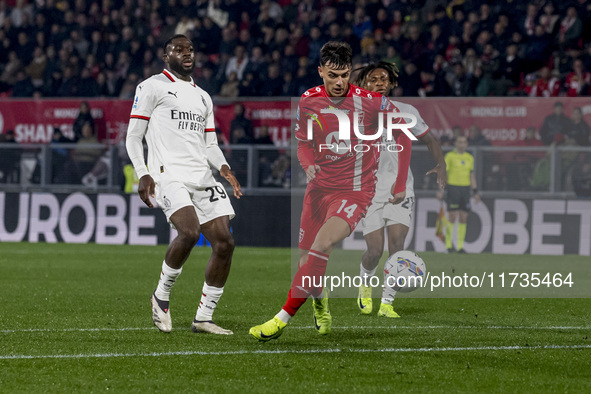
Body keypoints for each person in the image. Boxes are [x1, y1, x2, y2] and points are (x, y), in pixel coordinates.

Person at [249, 42, 412, 341]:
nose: (339, 82)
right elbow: (303, 143)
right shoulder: (308, 100)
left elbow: (404, 134)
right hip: (317, 191)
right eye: (333, 75)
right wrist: (308, 164)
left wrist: (400, 182)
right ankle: (320, 302)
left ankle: (280, 319)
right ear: (320, 71)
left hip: (354, 192)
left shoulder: (372, 101)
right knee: (305, 261)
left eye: (345, 75)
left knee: (322, 246)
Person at [125, 34, 242, 335]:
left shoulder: (203, 96)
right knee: (188, 232)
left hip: (202, 175)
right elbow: (133, 136)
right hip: (168, 174)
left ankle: (204, 317)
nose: (187, 54)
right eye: (179, 50)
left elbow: (210, 144)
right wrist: (143, 173)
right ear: (166, 56)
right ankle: (161, 296)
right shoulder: (151, 87)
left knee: (225, 243)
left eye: (190, 49)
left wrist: (225, 168)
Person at [352, 61, 447, 318]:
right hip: (368, 191)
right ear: (363, 84)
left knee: (397, 247)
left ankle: (387, 303)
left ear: (393, 84)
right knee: (374, 251)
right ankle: (364, 285)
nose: (379, 83)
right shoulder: (354, 113)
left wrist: (442, 164)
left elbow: (429, 140)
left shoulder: (406, 111)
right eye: (373, 79)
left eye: (384, 79)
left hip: (401, 189)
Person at [438, 135, 480, 253]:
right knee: (452, 216)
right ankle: (449, 245)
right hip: (453, 188)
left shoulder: (469, 158)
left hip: (465, 189)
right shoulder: (450, 156)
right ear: (455, 144)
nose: (462, 144)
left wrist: (475, 191)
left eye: (464, 142)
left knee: (463, 217)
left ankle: (460, 246)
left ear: (467, 144)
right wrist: (441, 190)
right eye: (460, 142)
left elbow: (471, 175)